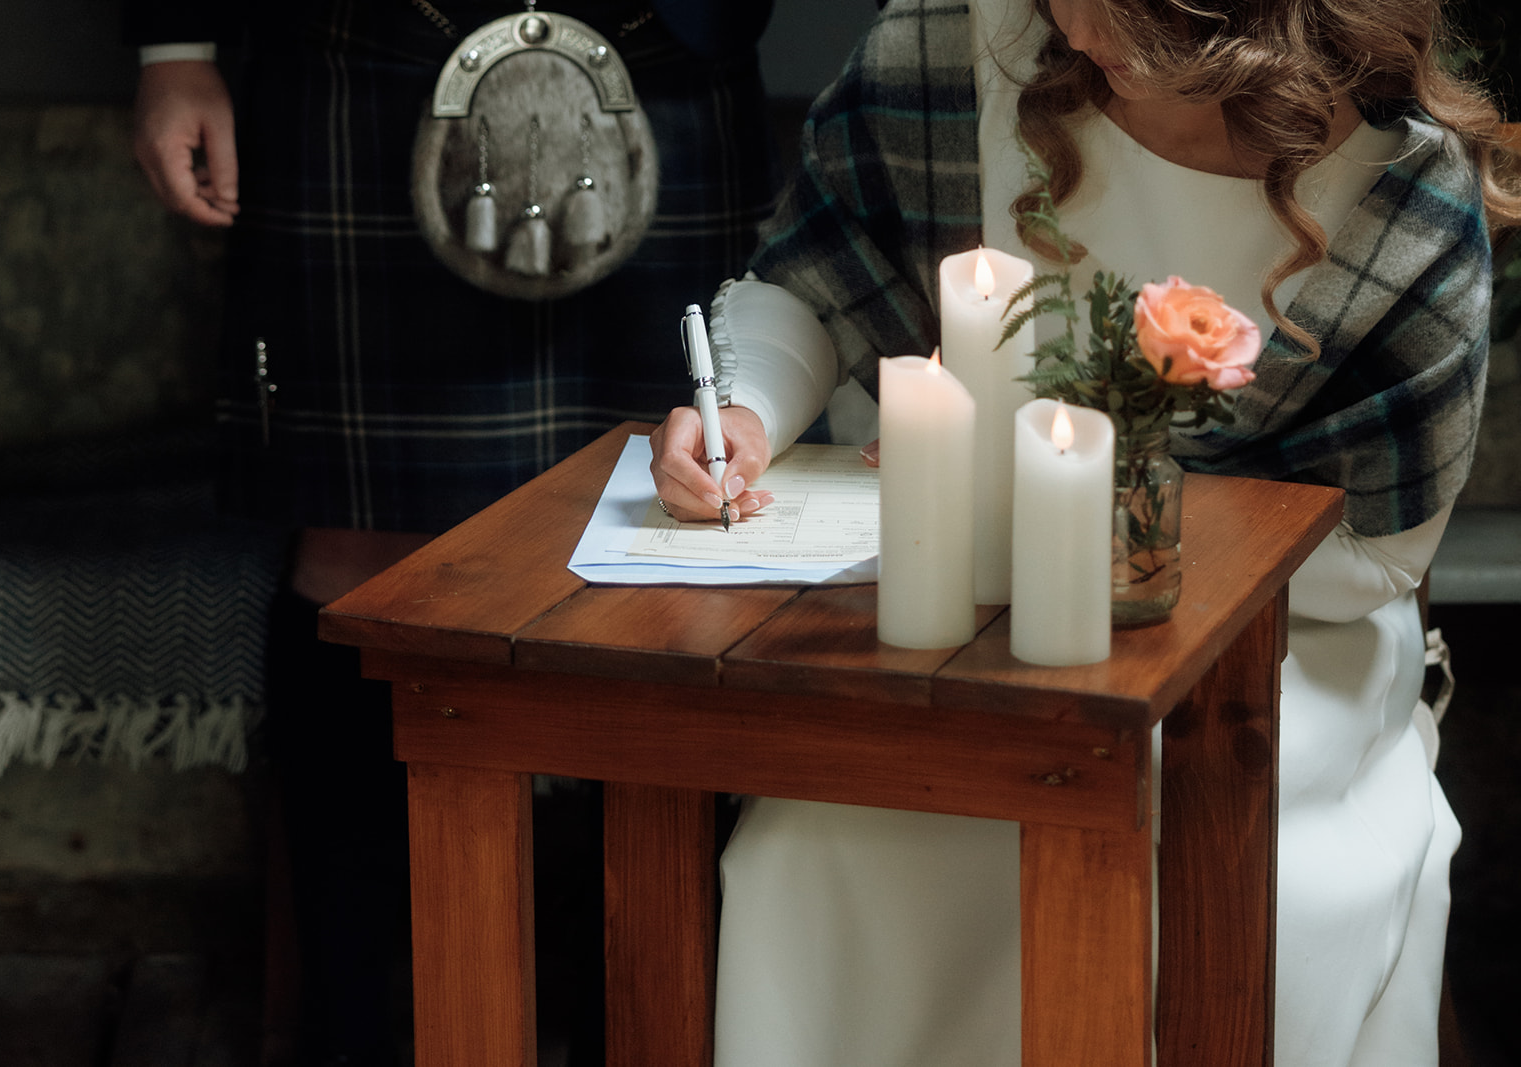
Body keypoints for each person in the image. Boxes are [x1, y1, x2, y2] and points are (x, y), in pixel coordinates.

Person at [649, 0, 1519, 1063]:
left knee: (1218, 869)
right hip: (958, 632)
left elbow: (1375, 555)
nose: (1058, 16)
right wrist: (747, 408)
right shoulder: (953, 42)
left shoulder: (1399, 185)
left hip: (1278, 657)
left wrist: (1073, 512)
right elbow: (808, 286)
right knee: (826, 838)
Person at [126, 2, 780, 1064]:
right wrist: (177, 44)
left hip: (660, 55)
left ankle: (643, 1028)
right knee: (362, 557)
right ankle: (351, 1030)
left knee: (671, 542)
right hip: (371, 60)